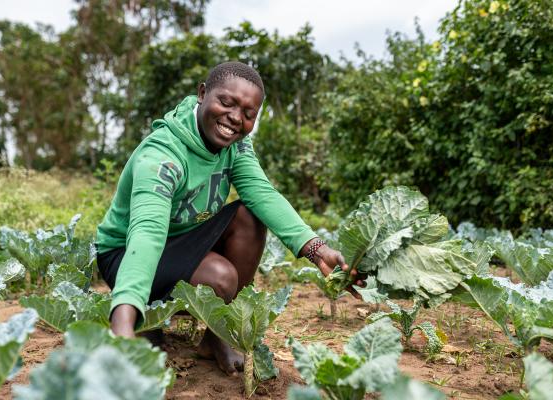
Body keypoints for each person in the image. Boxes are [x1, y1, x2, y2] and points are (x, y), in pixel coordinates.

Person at [95, 61, 357, 375]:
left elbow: (263, 194)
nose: (235, 118)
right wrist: (121, 321)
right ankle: (140, 316)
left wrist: (317, 250)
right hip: (125, 253)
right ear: (203, 93)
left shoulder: (235, 146)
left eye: (248, 114)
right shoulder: (162, 156)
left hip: (180, 243)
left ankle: (216, 337)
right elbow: (147, 233)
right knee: (220, 278)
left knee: (249, 216)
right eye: (226, 103)